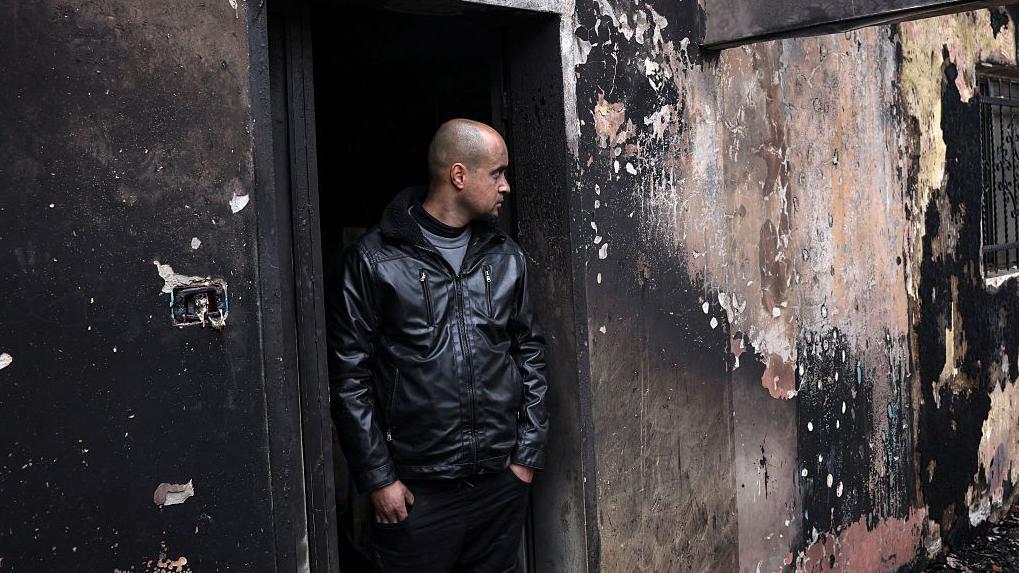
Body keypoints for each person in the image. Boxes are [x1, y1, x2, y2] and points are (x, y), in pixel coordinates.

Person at [327, 118, 549, 572]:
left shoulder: (506, 257)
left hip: (498, 484)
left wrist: (525, 458)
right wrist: (378, 478)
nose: (506, 186)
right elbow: (349, 377)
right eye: (498, 173)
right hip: (415, 493)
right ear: (459, 175)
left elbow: (531, 354)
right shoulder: (374, 260)